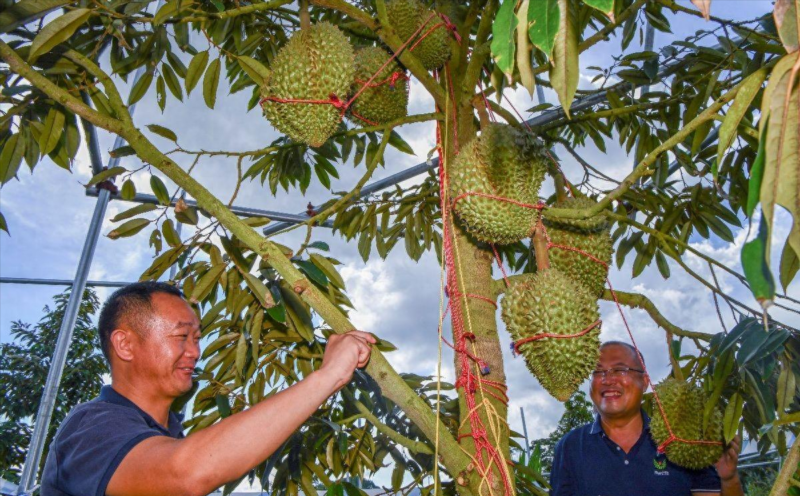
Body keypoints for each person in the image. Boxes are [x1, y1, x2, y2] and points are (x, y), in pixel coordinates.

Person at [40, 281, 375, 496]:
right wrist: (328, 376)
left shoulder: (165, 433)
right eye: (182, 336)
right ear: (125, 344)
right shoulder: (92, 428)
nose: (195, 352)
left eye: (197, 339)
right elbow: (184, 473)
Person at [549, 341, 744, 496]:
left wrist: (729, 479)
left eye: (620, 370)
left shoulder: (680, 440)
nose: (607, 380)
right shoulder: (571, 447)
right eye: (598, 372)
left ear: (644, 381)